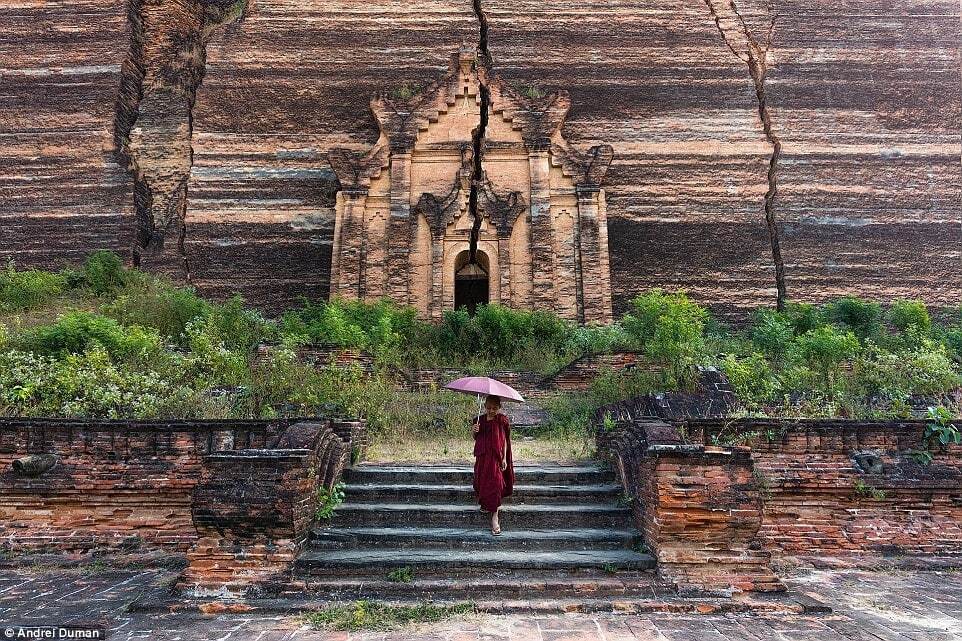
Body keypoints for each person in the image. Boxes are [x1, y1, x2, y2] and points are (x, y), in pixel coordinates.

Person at [472, 394, 514, 535]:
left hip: (496, 458)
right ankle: (485, 503)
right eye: (489, 408)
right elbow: (476, 438)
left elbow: (505, 441)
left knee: (495, 484)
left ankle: (495, 517)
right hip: (483, 457)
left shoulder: (502, 420)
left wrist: (504, 459)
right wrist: (474, 431)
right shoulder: (479, 420)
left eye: (494, 408)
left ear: (499, 408)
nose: (491, 411)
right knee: (482, 482)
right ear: (484, 407)